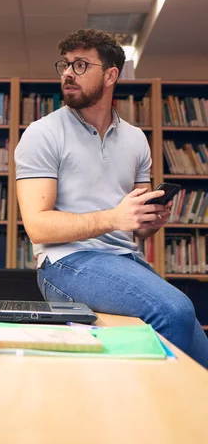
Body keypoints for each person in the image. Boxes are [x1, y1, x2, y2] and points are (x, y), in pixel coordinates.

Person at [15, 28, 208, 368]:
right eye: (65, 64)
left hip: (125, 260)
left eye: (80, 65)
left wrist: (148, 221)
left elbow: (135, 226)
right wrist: (114, 218)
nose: (67, 74)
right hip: (64, 263)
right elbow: (37, 226)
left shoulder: (136, 140)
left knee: (201, 349)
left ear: (111, 75)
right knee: (173, 309)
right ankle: (153, 415)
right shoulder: (42, 133)